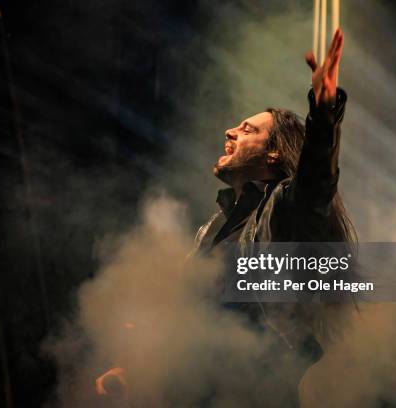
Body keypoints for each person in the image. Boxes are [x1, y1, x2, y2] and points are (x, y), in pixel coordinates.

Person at [97, 28, 356, 407]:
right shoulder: (213, 228)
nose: (230, 132)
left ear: (272, 154)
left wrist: (324, 112)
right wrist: (136, 368)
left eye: (248, 129)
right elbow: (194, 318)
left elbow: (315, 181)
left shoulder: (283, 211)